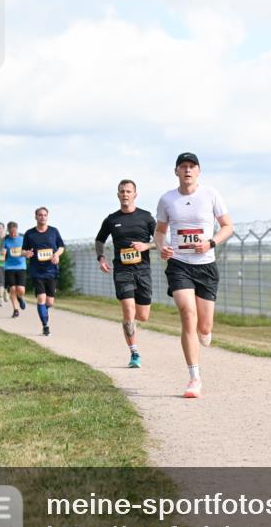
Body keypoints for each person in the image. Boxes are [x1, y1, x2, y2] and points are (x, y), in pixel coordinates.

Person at [156, 152, 233, 398]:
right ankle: (194, 377)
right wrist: (162, 246)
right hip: (179, 264)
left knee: (204, 326)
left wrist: (210, 243)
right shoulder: (167, 199)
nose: (187, 170)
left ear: (198, 171)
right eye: (183, 167)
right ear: (176, 171)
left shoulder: (211, 195)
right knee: (187, 313)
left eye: (192, 166)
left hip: (206, 265)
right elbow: (159, 232)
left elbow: (228, 227)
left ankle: (205, 330)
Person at [95, 179, 157, 368]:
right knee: (128, 309)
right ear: (118, 195)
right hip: (122, 269)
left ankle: (131, 323)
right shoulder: (112, 219)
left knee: (143, 315)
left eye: (128, 191)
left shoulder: (146, 217)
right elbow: (99, 240)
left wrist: (145, 245)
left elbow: (160, 241)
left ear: (135, 194)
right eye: (122, 191)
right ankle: (134, 352)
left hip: (143, 269)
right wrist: (101, 258)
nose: (125, 194)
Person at [22, 207, 65, 336]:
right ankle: (45, 326)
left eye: (45, 215)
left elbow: (61, 246)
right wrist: (27, 253)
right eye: (40, 215)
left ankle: (43, 312)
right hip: (37, 271)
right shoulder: (30, 233)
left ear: (47, 217)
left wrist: (57, 255)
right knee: (41, 298)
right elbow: (23, 251)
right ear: (35, 217)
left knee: (49, 302)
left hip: (51, 271)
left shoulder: (53, 231)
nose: (42, 217)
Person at [2, 221, 27, 318]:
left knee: (21, 290)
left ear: (17, 229)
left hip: (21, 266)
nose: (13, 234)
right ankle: (16, 310)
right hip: (9, 267)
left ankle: (20, 297)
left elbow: (28, 250)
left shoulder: (23, 238)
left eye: (14, 232)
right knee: (12, 289)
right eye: (11, 232)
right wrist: (3, 253)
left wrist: (26, 253)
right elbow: (3, 250)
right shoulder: (5, 239)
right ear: (8, 231)